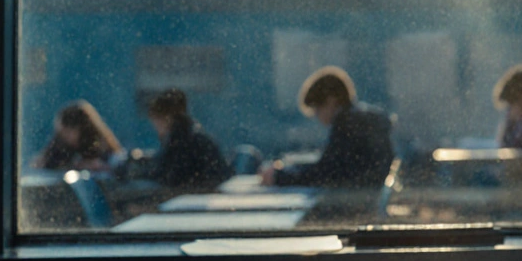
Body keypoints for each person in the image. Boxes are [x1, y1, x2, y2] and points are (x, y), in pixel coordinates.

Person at [262, 66, 394, 189]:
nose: (317, 117)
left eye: (317, 110)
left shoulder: (347, 124)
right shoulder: (363, 118)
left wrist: (279, 177)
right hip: (369, 193)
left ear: (331, 101)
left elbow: (325, 174)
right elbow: (330, 166)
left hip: (357, 197)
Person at [145, 88, 231, 189]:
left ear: (167, 118)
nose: (155, 126)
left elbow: (172, 176)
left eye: (156, 120)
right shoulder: (187, 135)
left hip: (196, 194)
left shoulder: (183, 141)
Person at [31, 100, 123, 171]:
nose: (64, 136)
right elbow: (40, 163)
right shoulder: (60, 144)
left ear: (78, 129)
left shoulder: (100, 145)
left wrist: (97, 166)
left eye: (67, 132)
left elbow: (115, 164)